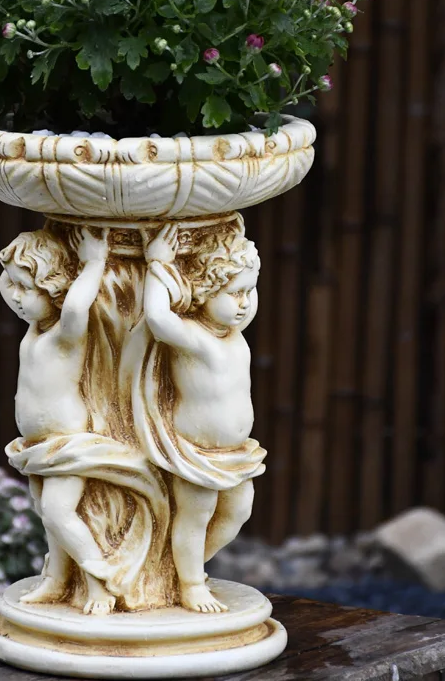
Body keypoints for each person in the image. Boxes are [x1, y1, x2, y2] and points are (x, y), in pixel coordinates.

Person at [136, 223, 266, 613]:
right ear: (206, 292)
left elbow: (243, 293)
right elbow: (158, 318)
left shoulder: (235, 332)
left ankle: (171, 569)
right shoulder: (195, 338)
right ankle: (190, 583)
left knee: (238, 512)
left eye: (249, 292)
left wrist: (240, 247)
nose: (244, 303)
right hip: (196, 452)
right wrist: (158, 264)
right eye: (235, 293)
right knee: (196, 515)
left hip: (236, 452)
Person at [0, 227, 118, 615]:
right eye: (12, 284)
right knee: (46, 514)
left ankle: (100, 582)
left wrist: (94, 263)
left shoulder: (65, 336)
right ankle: (57, 579)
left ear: (53, 290)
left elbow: (76, 309)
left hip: (66, 441)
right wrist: (14, 262)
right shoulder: (35, 328)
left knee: (58, 511)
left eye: (25, 288)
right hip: (36, 444)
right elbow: (8, 282)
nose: (15, 295)